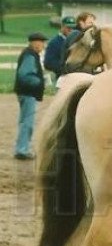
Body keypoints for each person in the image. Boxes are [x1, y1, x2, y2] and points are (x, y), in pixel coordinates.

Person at [13, 32, 48, 160]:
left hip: (25, 93)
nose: (43, 45)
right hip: (28, 93)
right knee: (27, 122)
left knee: (24, 121)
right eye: (41, 42)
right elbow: (25, 75)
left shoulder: (30, 54)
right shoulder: (30, 56)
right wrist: (40, 81)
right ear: (34, 43)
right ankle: (22, 150)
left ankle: (21, 148)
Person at [43, 16, 76, 85]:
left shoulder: (77, 41)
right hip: (62, 78)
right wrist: (65, 69)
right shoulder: (54, 42)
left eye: (73, 28)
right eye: (68, 28)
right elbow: (48, 62)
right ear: (62, 27)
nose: (71, 30)